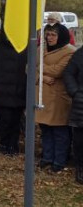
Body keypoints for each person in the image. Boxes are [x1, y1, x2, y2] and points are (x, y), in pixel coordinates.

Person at [37, 24, 74, 172]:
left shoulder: (69, 51)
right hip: (42, 96)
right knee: (45, 129)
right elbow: (29, 68)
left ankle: (59, 161)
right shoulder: (41, 50)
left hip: (58, 98)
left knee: (59, 132)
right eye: (48, 34)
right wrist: (43, 77)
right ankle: (47, 158)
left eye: (53, 35)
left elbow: (58, 70)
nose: (49, 37)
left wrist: (39, 68)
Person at [0, 31, 27, 156]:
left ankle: (13, 145)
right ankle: (4, 144)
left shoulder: (24, 46)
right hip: (2, 89)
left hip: (19, 89)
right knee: (4, 120)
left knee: (16, 121)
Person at [62, 42, 83, 184]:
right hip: (81, 104)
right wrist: (75, 92)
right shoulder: (80, 54)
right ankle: (80, 169)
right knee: (80, 141)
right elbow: (68, 73)